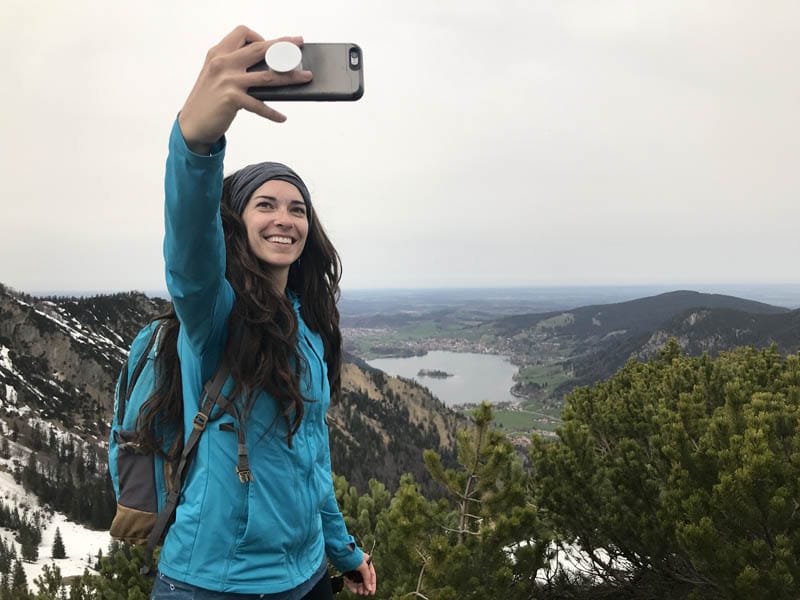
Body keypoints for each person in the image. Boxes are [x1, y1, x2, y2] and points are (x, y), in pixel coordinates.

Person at [148, 25, 377, 599]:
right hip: (213, 584)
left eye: (297, 208)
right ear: (236, 220)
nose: (285, 218)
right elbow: (190, 251)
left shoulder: (307, 329)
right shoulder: (213, 315)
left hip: (305, 578)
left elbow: (312, 463)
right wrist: (197, 143)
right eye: (266, 204)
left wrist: (344, 552)